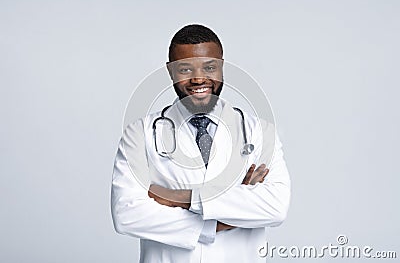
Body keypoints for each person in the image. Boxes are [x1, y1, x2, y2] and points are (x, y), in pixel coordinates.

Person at [111, 24, 291, 263]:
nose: (198, 79)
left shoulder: (259, 132)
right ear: (170, 72)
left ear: (222, 67)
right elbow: (127, 214)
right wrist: (219, 220)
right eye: (185, 69)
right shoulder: (140, 134)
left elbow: (274, 207)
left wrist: (183, 199)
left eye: (209, 67)